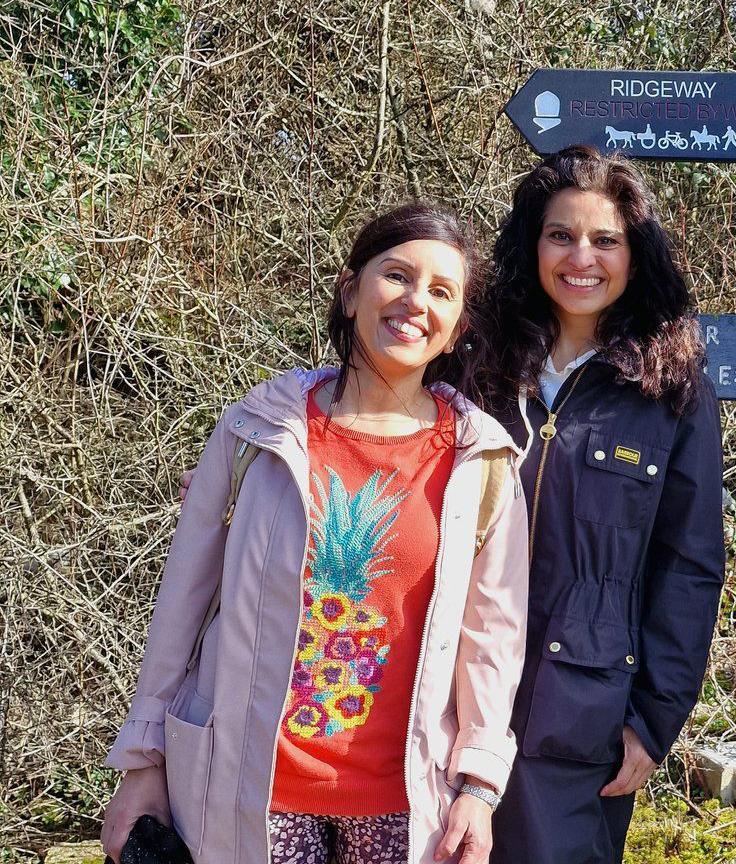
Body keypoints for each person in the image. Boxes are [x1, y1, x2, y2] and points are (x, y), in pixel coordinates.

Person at [99, 203, 530, 864]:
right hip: (250, 791)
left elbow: (492, 645)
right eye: (397, 276)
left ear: (457, 327)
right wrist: (141, 761)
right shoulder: (257, 430)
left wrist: (480, 782)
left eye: (442, 290)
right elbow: (179, 608)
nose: (416, 301)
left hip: (406, 800)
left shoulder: (482, 460)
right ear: (351, 289)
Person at [483, 145, 726, 864]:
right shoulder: (477, 364)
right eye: (560, 234)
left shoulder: (671, 391)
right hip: (448, 694)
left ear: (636, 254)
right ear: (532, 244)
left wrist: (655, 721)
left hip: (579, 712)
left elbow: (690, 567)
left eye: (605, 240)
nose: (580, 256)